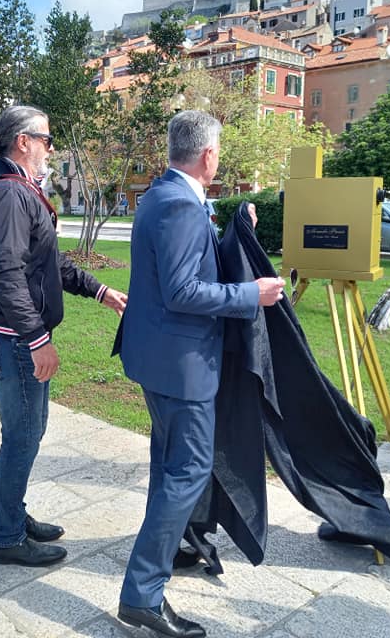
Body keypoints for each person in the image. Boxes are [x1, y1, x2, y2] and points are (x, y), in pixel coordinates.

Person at [115, 110, 284, 638]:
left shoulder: (161, 194)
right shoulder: (180, 205)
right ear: (208, 155)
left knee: (170, 467)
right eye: (220, 152)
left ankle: (173, 549)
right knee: (186, 471)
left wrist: (236, 231)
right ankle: (142, 595)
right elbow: (183, 290)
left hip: (160, 358)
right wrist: (250, 294)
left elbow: (186, 263)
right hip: (181, 366)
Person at [0, 105, 128, 568]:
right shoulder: (9, 195)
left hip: (15, 340)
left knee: (27, 433)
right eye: (46, 139)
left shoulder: (20, 191)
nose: (51, 149)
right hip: (14, 342)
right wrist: (37, 339)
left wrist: (98, 290)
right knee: (22, 438)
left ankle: (13, 516)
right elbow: (6, 274)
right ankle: (7, 537)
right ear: (23, 141)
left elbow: (48, 262)